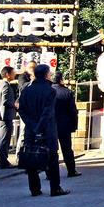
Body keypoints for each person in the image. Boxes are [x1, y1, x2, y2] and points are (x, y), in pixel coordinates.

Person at [18, 64, 69, 197]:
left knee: (31, 155)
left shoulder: (26, 91)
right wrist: (39, 126)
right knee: (52, 157)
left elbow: (21, 110)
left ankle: (34, 189)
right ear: (47, 75)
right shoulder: (50, 91)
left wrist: (32, 125)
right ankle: (55, 188)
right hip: (47, 128)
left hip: (30, 128)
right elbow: (47, 112)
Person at [52, 72, 80, 178]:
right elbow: (72, 110)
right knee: (67, 149)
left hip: (51, 125)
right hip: (65, 124)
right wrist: (74, 123)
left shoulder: (48, 91)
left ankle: (50, 173)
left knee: (51, 150)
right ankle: (71, 170)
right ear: (61, 80)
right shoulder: (67, 92)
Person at [0, 65, 17, 169]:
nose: (14, 74)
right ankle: (4, 161)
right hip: (5, 115)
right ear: (7, 74)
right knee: (4, 139)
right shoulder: (6, 85)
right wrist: (15, 105)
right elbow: (5, 101)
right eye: (13, 72)